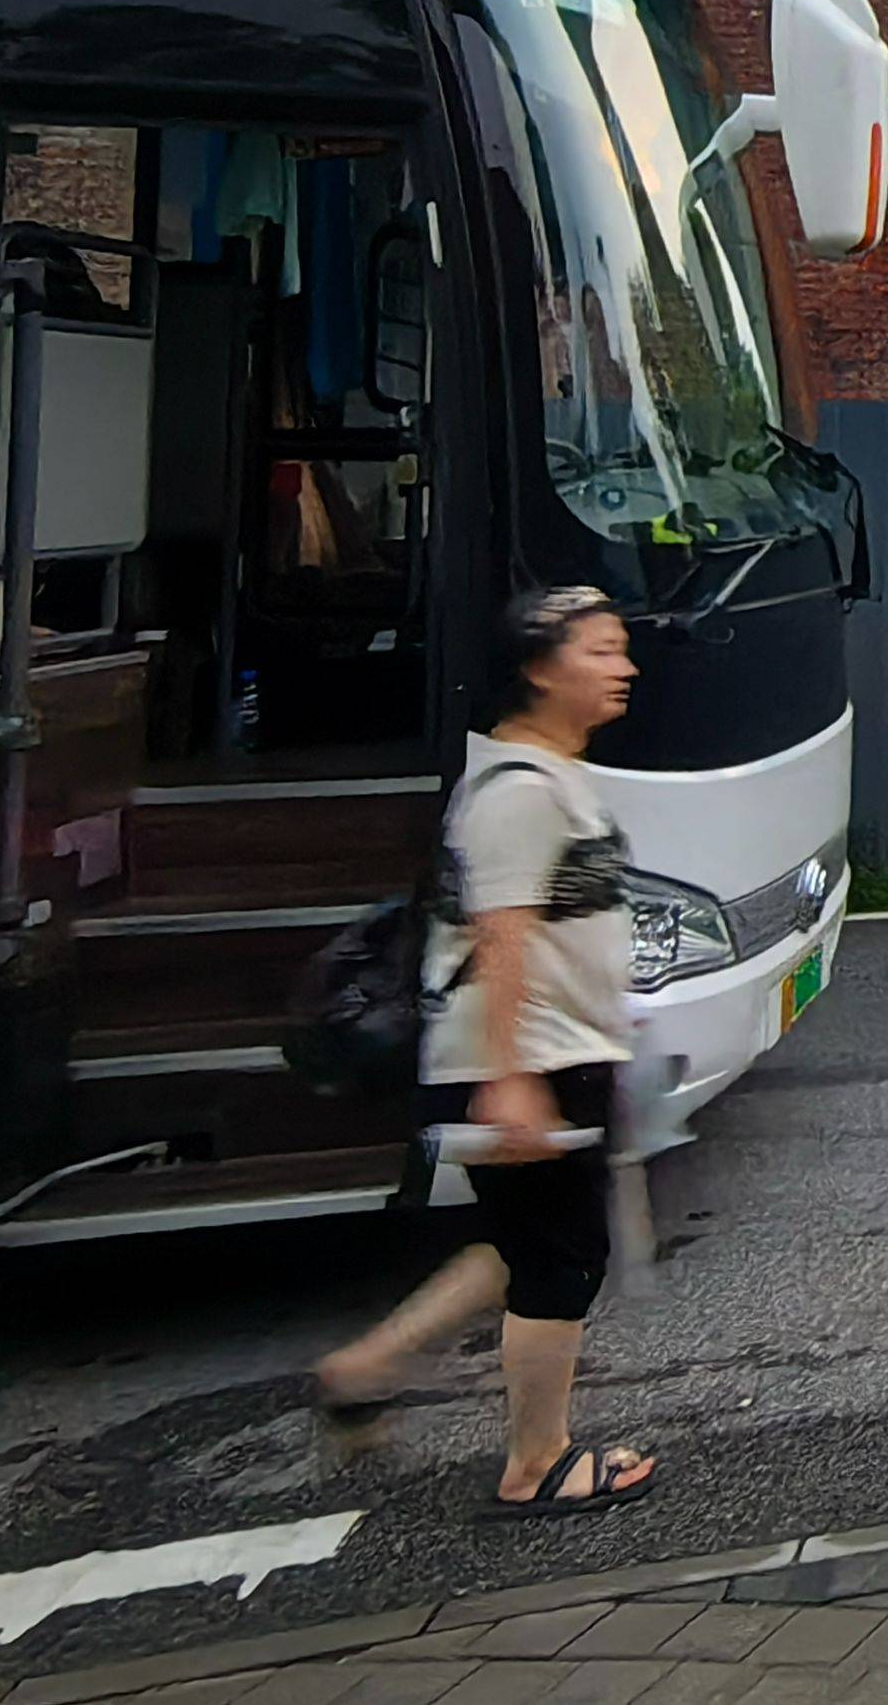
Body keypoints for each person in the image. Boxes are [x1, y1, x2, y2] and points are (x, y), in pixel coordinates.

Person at [310, 586, 655, 1514]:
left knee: (519, 1241)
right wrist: (512, 1080)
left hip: (552, 1049)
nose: (622, 667)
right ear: (540, 669)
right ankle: (536, 1462)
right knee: (559, 1259)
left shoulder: (544, 772)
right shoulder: (518, 791)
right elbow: (502, 938)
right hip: (528, 1058)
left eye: (620, 649)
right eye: (599, 651)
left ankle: (363, 1368)